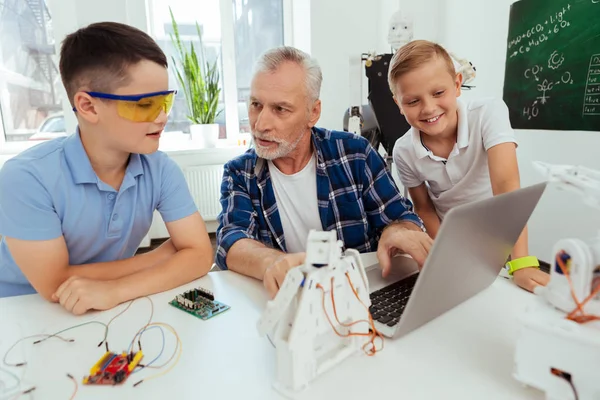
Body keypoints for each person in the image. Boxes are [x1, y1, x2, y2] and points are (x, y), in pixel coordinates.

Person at [0, 22, 213, 313]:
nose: (163, 117)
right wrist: (161, 257)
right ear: (88, 106)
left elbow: (201, 255)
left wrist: (115, 290)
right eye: (144, 105)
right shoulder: (25, 178)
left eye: (165, 100)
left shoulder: (161, 169)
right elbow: (54, 284)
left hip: (104, 308)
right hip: (19, 314)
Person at [216, 46, 432, 298]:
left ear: (313, 113)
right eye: (255, 105)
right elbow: (231, 240)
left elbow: (402, 218)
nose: (261, 124)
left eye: (280, 109)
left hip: (358, 296)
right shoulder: (239, 173)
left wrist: (397, 232)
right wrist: (270, 261)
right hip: (293, 301)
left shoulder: (355, 154)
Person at [389, 39, 549, 292]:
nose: (429, 108)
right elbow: (424, 208)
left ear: (457, 84)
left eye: (438, 93)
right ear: (398, 103)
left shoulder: (488, 113)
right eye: (412, 101)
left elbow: (507, 187)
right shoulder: (403, 150)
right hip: (453, 245)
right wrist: (447, 255)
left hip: (504, 241)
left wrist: (521, 262)